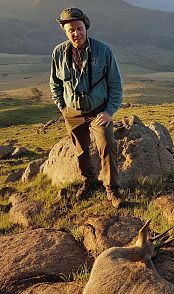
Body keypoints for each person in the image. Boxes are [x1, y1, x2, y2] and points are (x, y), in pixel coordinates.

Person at [50, 7, 124, 208]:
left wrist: (108, 112)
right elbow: (55, 83)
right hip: (72, 112)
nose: (76, 33)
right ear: (65, 31)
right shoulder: (58, 53)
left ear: (86, 27)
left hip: (98, 110)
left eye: (79, 28)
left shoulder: (104, 51)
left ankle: (112, 189)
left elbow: (116, 85)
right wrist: (63, 107)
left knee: (107, 144)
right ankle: (89, 181)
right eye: (71, 30)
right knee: (81, 151)